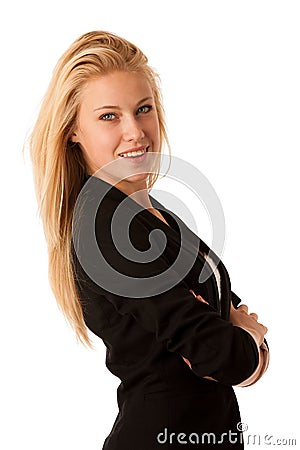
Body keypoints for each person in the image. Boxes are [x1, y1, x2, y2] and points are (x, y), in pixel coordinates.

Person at [29, 31, 269, 449]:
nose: (135, 131)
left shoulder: (148, 214)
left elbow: (223, 325)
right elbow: (223, 355)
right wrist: (247, 340)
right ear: (72, 130)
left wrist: (239, 339)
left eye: (143, 109)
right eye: (109, 116)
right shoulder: (106, 232)